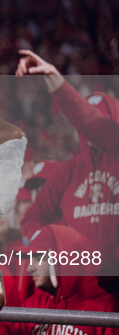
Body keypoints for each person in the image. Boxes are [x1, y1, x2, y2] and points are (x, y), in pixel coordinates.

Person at [16, 50, 119, 277]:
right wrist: (53, 247)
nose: (90, 132)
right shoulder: (69, 171)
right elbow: (32, 218)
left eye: (97, 122)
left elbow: (91, 122)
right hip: (77, 288)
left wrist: (56, 81)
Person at [0, 224, 119, 335]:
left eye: (37, 259)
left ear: (60, 259)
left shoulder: (105, 308)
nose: (30, 268)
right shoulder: (33, 304)